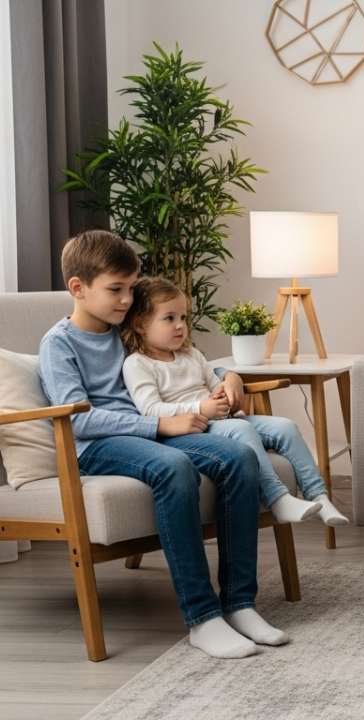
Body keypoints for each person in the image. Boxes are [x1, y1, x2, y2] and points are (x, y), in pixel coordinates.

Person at [37, 230, 284, 658]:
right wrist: (159, 426)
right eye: (115, 289)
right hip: (98, 445)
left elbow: (183, 360)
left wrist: (229, 374)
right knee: (174, 468)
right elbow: (80, 418)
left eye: (131, 289)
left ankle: (240, 604)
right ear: (78, 288)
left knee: (241, 458)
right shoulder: (59, 344)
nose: (126, 300)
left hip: (154, 429)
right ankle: (202, 618)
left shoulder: (125, 329)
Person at [121, 277, 348, 527]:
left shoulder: (191, 355)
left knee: (285, 426)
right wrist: (200, 408)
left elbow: (212, 381)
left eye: (183, 318)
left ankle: (320, 497)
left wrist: (224, 392)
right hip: (190, 429)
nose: (179, 326)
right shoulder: (138, 364)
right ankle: (278, 498)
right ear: (141, 324)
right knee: (241, 428)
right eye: (169, 318)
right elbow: (150, 410)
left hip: (220, 419)